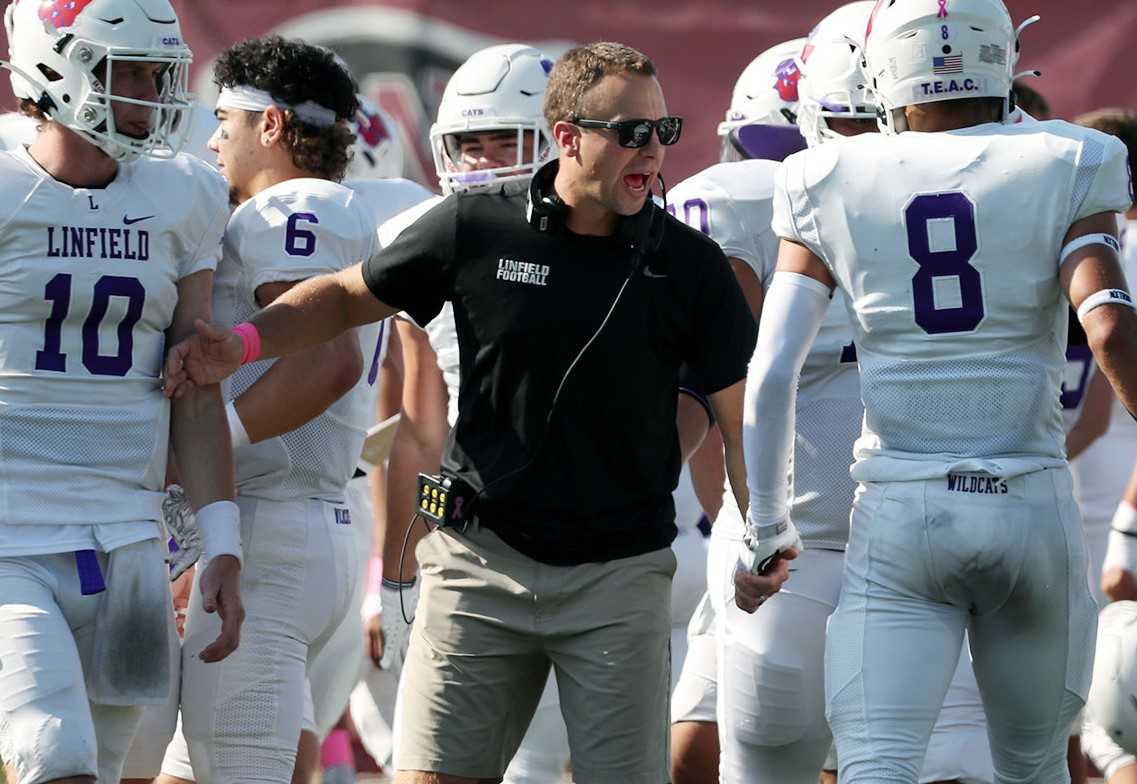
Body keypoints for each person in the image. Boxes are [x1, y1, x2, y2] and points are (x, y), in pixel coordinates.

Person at [163, 40, 775, 784]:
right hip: (478, 557)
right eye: (628, 131)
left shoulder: (688, 263)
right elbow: (351, 300)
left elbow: (734, 411)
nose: (649, 150)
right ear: (566, 137)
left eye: (660, 131)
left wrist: (758, 528)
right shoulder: (472, 227)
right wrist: (250, 340)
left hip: (618, 569)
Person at [737, 1, 1137, 783]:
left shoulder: (822, 176)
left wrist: (765, 528)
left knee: (878, 764)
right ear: (1004, 61)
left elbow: (772, 371)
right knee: (1030, 766)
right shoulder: (1071, 157)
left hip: (900, 506)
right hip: (1027, 498)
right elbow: (1110, 332)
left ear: (881, 69)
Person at [0, 0, 243, 782]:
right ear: (55, 65)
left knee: (101, 771)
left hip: (127, 538)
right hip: (12, 534)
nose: (148, 93)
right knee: (50, 754)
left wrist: (223, 543)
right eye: (125, 71)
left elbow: (195, 386)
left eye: (155, 72)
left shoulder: (183, 195)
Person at [147, 36, 389, 784]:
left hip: (272, 527)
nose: (214, 139)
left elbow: (325, 359)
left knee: (237, 770)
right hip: (308, 524)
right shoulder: (317, 209)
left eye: (225, 120)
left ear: (273, 126)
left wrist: (200, 455)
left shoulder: (294, 208)